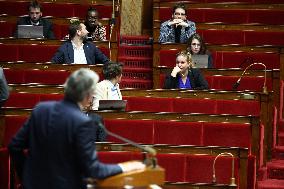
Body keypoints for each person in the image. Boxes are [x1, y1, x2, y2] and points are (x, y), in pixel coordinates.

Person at [8, 68, 145, 189]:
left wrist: (26, 174)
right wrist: (125, 167)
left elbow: (14, 146)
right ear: (87, 96)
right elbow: (94, 170)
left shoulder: (40, 110)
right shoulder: (83, 122)